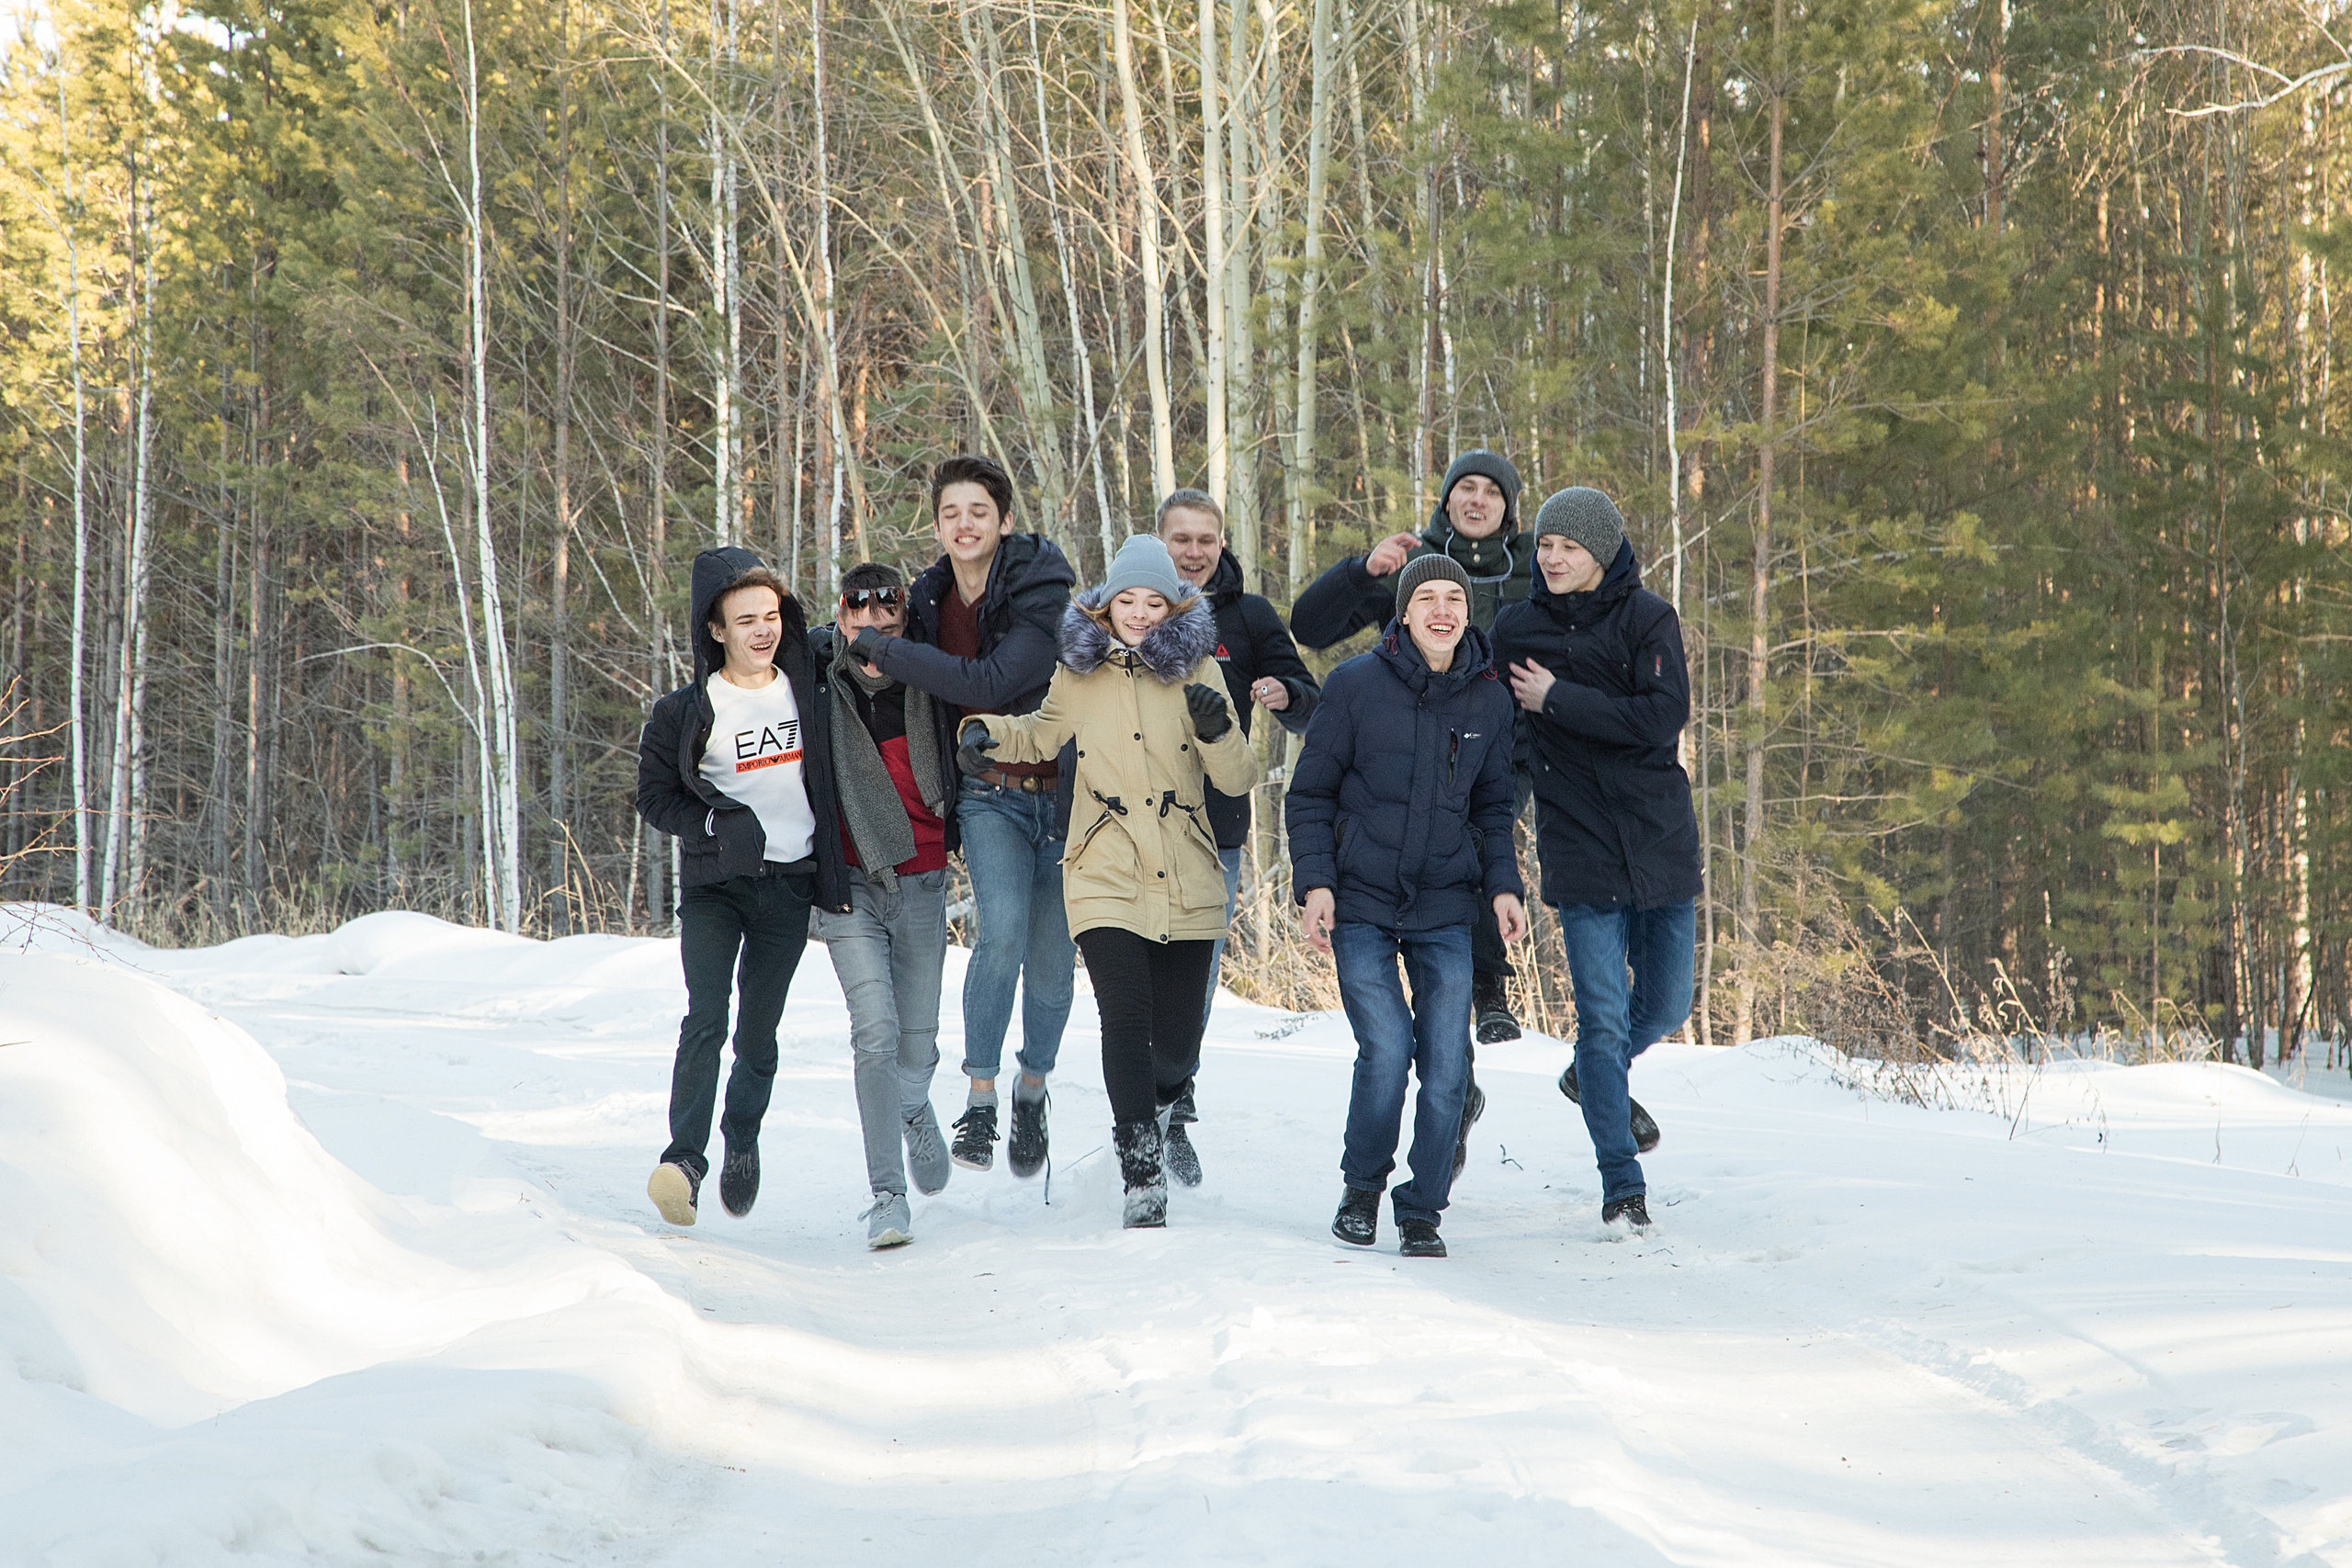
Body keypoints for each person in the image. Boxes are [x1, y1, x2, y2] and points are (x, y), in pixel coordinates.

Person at [963, 535, 1260, 1227]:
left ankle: (1155, 1113)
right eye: (1127, 599)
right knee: (1124, 1016)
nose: (1138, 612)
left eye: (1153, 601)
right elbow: (1038, 735)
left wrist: (1218, 734)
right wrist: (984, 733)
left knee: (1178, 1046)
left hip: (1186, 869)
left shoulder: (1200, 674)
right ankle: (1140, 1170)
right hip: (1101, 865)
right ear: (1107, 603)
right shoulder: (1079, 669)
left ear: (1173, 606)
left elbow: (1239, 778)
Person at [1287, 449, 1533, 1163]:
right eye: (1466, 489)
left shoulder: (1528, 572)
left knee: (1469, 859)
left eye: (1492, 491)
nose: (1478, 500)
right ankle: (1454, 1090)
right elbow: (1309, 625)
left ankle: (1483, 1007)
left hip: (1495, 752)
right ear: (1447, 501)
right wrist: (1362, 570)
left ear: (1507, 508)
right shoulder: (1413, 565)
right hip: (1400, 756)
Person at [846, 456, 1077, 1184]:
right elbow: (863, 632)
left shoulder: (1042, 588)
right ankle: (980, 1094)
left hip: (1066, 798)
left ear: (1003, 520)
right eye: (951, 513)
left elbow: (996, 682)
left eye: (979, 511)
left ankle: (1031, 1087)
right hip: (990, 795)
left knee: (1050, 965)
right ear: (938, 524)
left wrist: (885, 650)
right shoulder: (928, 600)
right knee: (1000, 928)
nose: (965, 524)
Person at [1492, 487, 1700, 1234]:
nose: (1551, 558)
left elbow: (1660, 719)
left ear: (1602, 552)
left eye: (1568, 548)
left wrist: (1559, 700)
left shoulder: (1649, 619)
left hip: (1658, 839)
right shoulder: (1516, 626)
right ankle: (1622, 1180)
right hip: (1578, 844)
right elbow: (1497, 724)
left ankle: (1593, 1076)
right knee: (1603, 1018)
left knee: (1669, 1004)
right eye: (1544, 545)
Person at [635, 547, 849, 1227]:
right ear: (717, 630)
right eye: (745, 619)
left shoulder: (807, 684)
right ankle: (684, 1161)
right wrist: (708, 821)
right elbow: (653, 796)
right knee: (705, 1017)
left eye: (772, 615)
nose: (763, 630)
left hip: (788, 885)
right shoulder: (686, 710)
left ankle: (743, 1134)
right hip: (715, 886)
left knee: (758, 1035)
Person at [1155, 489, 1321, 1183]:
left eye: (1206, 540)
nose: (1194, 552)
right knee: (1135, 975)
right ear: (1159, 542)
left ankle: (1175, 1109)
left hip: (1215, 829)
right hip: (1129, 825)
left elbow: (1306, 697)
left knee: (1195, 974)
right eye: (1181, 539)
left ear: (1221, 544)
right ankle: (1141, 1110)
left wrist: (1286, 695)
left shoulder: (1248, 617)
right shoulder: (1130, 611)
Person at [811, 563, 958, 1248]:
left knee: (917, 1043)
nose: (870, 631)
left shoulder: (934, 684)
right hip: (850, 885)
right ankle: (887, 1194)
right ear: (839, 619)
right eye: (856, 617)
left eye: (887, 619)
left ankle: (912, 1102)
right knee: (874, 1031)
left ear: (904, 624)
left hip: (924, 877)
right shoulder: (816, 682)